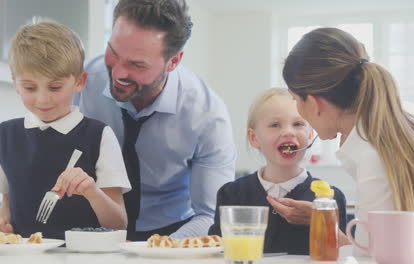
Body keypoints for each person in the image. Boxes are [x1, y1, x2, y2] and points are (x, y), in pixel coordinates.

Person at [268, 27, 414, 259]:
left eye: (295, 100)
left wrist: (323, 223)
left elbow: (369, 259)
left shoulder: (371, 149)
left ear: (314, 103)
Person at [74, 0, 236, 241]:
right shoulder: (82, 83)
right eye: (113, 54)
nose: (117, 73)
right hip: (91, 226)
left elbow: (210, 214)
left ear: (174, 61)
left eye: (137, 65)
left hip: (174, 231)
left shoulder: (208, 115)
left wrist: (164, 248)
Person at [0, 20, 131, 239]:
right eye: (29, 87)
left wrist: (92, 192)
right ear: (16, 83)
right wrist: (5, 223)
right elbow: (8, 202)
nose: (43, 99)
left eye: (55, 87)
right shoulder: (5, 136)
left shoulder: (99, 136)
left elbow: (119, 224)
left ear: (80, 81)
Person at [208, 88, 347, 254]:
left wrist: (321, 220)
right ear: (254, 138)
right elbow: (215, 252)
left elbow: (343, 255)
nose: (288, 131)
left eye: (298, 124)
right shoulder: (231, 194)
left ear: (310, 136)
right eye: (275, 125)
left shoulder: (331, 198)